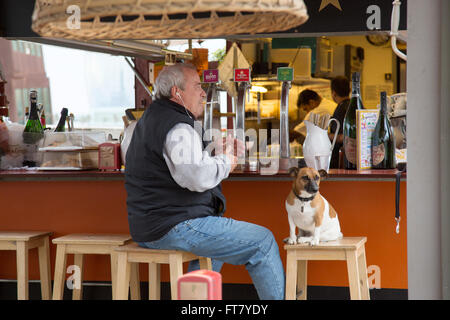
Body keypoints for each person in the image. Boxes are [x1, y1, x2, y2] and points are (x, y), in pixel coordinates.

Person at [124, 63, 285, 300]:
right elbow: (195, 177)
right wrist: (227, 161)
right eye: (198, 86)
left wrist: (212, 150)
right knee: (263, 241)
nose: (203, 93)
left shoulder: (147, 121)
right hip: (173, 225)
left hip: (147, 227)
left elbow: (169, 163)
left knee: (216, 247)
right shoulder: (178, 126)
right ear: (177, 92)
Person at [328, 76, 351, 169]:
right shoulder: (354, 105)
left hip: (341, 160)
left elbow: (344, 136)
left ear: (333, 93)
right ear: (349, 90)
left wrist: (326, 136)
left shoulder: (341, 109)